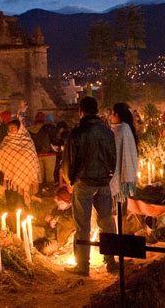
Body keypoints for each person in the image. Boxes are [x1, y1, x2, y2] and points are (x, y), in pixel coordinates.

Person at [62, 97, 117, 276]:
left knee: (82, 225)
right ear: (96, 111)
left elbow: (69, 160)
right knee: (107, 221)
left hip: (84, 182)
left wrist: (70, 179)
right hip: (103, 182)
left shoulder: (77, 133)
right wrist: (109, 174)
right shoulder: (107, 132)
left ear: (81, 111)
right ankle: (111, 262)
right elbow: (113, 157)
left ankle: (83, 266)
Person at [0, 119, 40, 207]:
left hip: (25, 173)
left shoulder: (27, 140)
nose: (11, 130)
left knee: (21, 198)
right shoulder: (7, 140)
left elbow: (31, 157)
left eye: (13, 127)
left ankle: (23, 209)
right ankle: (11, 209)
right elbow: (0, 153)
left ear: (19, 128)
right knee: (11, 197)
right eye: (9, 128)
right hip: (10, 177)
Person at [110, 103, 138, 207]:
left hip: (118, 176)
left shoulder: (120, 130)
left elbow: (114, 152)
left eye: (111, 114)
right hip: (125, 176)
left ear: (117, 115)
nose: (110, 117)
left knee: (118, 206)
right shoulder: (126, 128)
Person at [28, 112, 57, 193]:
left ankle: (39, 193)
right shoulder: (49, 127)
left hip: (36, 155)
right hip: (49, 154)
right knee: (50, 175)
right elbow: (55, 140)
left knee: (40, 175)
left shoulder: (30, 129)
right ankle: (50, 193)